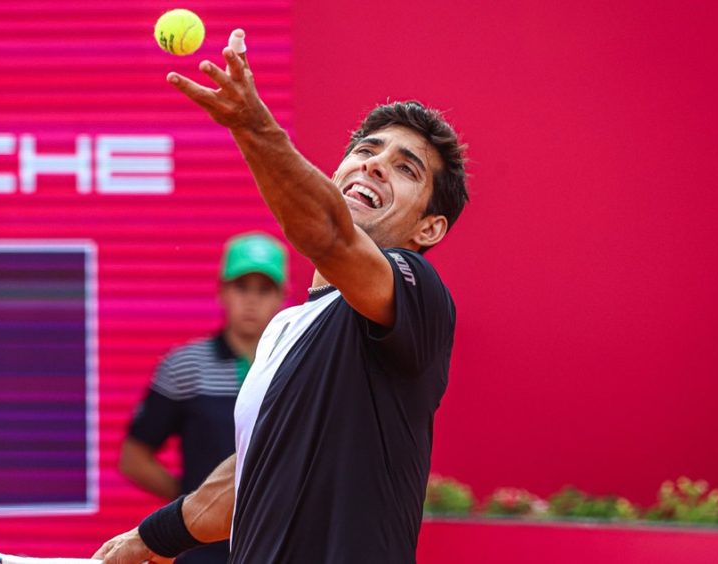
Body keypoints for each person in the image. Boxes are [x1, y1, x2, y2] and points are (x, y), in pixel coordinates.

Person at [95, 28, 468, 564]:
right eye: (366, 149)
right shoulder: (285, 331)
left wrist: (252, 126)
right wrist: (148, 541)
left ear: (428, 230)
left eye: (406, 168)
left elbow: (331, 235)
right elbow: (246, 475)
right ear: (338, 171)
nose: (375, 163)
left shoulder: (418, 292)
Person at [119, 233, 287, 564]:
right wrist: (194, 503)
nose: (251, 301)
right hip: (199, 552)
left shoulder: (299, 369)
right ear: (222, 291)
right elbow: (133, 457)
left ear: (282, 297)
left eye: (263, 289)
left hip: (280, 545)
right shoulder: (185, 367)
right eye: (242, 287)